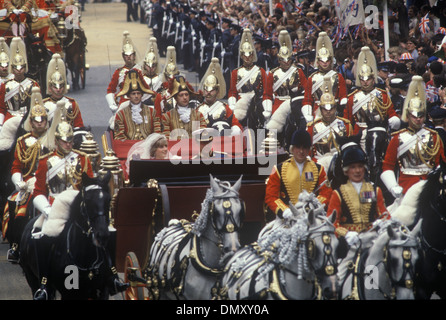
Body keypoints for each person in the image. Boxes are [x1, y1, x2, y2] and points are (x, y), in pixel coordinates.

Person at [31, 120, 128, 300]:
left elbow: (89, 185)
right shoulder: (46, 162)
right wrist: (46, 209)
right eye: (64, 141)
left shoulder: (82, 157)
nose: (68, 144)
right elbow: (38, 191)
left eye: (70, 141)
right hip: (55, 207)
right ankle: (44, 285)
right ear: (57, 140)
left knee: (108, 231)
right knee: (41, 234)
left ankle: (113, 276)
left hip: (80, 206)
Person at [381, 76, 445, 201]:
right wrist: (393, 187)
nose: (418, 119)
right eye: (415, 116)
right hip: (405, 190)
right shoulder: (397, 138)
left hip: (429, 189)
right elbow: (387, 166)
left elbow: (440, 164)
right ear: (408, 115)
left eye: (421, 115)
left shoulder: (434, 136)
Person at [2, 89, 48, 263]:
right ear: (31, 122)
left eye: (43, 120)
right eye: (36, 121)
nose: (40, 123)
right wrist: (19, 182)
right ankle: (16, 245)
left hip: (49, 183)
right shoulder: (23, 141)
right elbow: (16, 167)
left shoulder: (53, 139)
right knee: (17, 206)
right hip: (28, 184)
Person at [326, 143, 389, 245]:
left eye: (360, 166)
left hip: (371, 240)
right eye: (353, 167)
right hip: (348, 242)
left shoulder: (375, 191)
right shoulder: (338, 193)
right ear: (346, 170)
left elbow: (384, 215)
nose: (357, 171)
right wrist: (345, 234)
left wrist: (382, 223)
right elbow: (331, 222)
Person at [264, 130, 332, 218]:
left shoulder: (319, 169)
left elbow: (326, 193)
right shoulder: (278, 169)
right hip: (287, 216)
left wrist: (313, 207)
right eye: (298, 147)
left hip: (312, 216)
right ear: (292, 149)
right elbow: (271, 196)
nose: (301, 151)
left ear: (309, 149)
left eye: (304, 148)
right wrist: (285, 211)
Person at [344, 47, 400, 139]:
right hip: (360, 134)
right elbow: (347, 120)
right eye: (362, 79)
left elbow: (391, 113)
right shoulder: (351, 97)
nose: (365, 82)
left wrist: (393, 120)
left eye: (368, 79)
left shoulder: (382, 95)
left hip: (379, 131)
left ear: (373, 79)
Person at [306, 76, 356, 171]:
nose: (328, 112)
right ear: (320, 109)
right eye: (325, 109)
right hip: (319, 164)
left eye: (331, 108)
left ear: (335, 108)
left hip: (340, 164)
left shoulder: (345, 125)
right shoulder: (312, 127)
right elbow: (309, 153)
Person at [227, 28, 271, 129]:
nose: (247, 58)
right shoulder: (235, 72)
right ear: (241, 56)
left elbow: (266, 91)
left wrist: (267, 107)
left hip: (256, 101)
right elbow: (232, 92)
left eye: (250, 55)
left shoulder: (260, 71)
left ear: (253, 55)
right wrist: (233, 104)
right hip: (240, 102)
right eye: (245, 55)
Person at [302, 32, 347, 122]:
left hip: (335, 111)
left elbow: (343, 95)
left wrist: (342, 104)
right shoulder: (312, 78)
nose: (325, 63)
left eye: (327, 60)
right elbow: (307, 100)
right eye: (322, 61)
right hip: (317, 112)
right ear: (318, 62)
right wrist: (307, 114)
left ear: (331, 61)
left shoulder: (338, 76)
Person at [0, 37, 40, 132]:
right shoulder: (5, 86)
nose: (19, 71)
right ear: (12, 68)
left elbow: (37, 106)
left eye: (21, 68)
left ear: (25, 67)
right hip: (9, 119)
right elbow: (1, 108)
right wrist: (1, 124)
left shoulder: (33, 84)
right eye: (16, 68)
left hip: (28, 119)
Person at [113, 69, 162, 140]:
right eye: (133, 94)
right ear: (128, 96)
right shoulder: (121, 114)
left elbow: (157, 133)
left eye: (138, 93)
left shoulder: (152, 112)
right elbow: (119, 137)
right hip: (128, 149)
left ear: (142, 95)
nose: (136, 96)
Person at [197, 57, 242, 136]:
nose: (208, 93)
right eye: (206, 90)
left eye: (212, 90)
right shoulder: (198, 109)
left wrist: (235, 129)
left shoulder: (225, 108)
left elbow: (236, 124)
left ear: (217, 91)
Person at [43, 53, 84, 129]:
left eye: (61, 86)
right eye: (55, 87)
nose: (58, 90)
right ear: (50, 88)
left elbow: (79, 126)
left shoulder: (72, 104)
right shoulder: (43, 105)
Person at [162, 75, 206, 139]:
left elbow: (202, 136)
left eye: (186, 94)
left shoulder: (198, 116)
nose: (185, 97)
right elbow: (166, 138)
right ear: (175, 98)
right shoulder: (167, 117)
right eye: (181, 95)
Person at [105, 31, 137, 115]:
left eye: (131, 55)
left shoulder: (140, 71)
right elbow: (110, 90)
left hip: (139, 103)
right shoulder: (118, 72)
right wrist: (112, 104)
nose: (129, 57)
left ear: (134, 55)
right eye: (126, 55)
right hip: (124, 104)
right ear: (123, 56)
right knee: (112, 126)